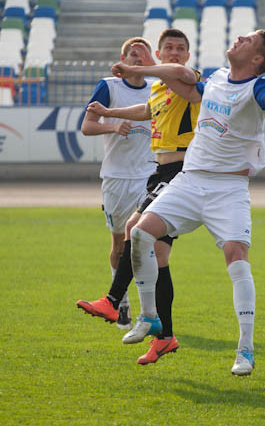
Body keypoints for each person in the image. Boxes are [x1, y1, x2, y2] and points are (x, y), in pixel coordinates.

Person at [114, 30, 265, 375]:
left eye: (247, 40)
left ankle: (245, 350)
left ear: (257, 59)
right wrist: (145, 68)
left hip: (228, 188)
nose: (239, 38)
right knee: (139, 233)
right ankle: (150, 316)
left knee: (237, 258)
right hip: (190, 180)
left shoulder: (258, 86)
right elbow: (185, 88)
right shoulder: (217, 78)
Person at [77, 29, 200, 364]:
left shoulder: (188, 79)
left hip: (182, 173)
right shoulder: (160, 88)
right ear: (160, 52)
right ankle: (164, 336)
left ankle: (117, 303)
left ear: (188, 55)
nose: (175, 53)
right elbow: (146, 111)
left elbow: (181, 74)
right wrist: (110, 113)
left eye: (180, 48)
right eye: (168, 48)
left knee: (135, 230)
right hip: (161, 173)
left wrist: (137, 69)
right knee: (157, 256)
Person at [79, 37, 156, 330]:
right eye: (132, 53)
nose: (138, 58)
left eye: (143, 54)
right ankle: (121, 303)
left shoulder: (157, 87)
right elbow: (87, 126)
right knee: (119, 244)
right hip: (116, 177)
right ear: (122, 59)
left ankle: (149, 312)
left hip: (149, 176)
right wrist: (112, 125)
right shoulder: (109, 86)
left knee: (145, 243)